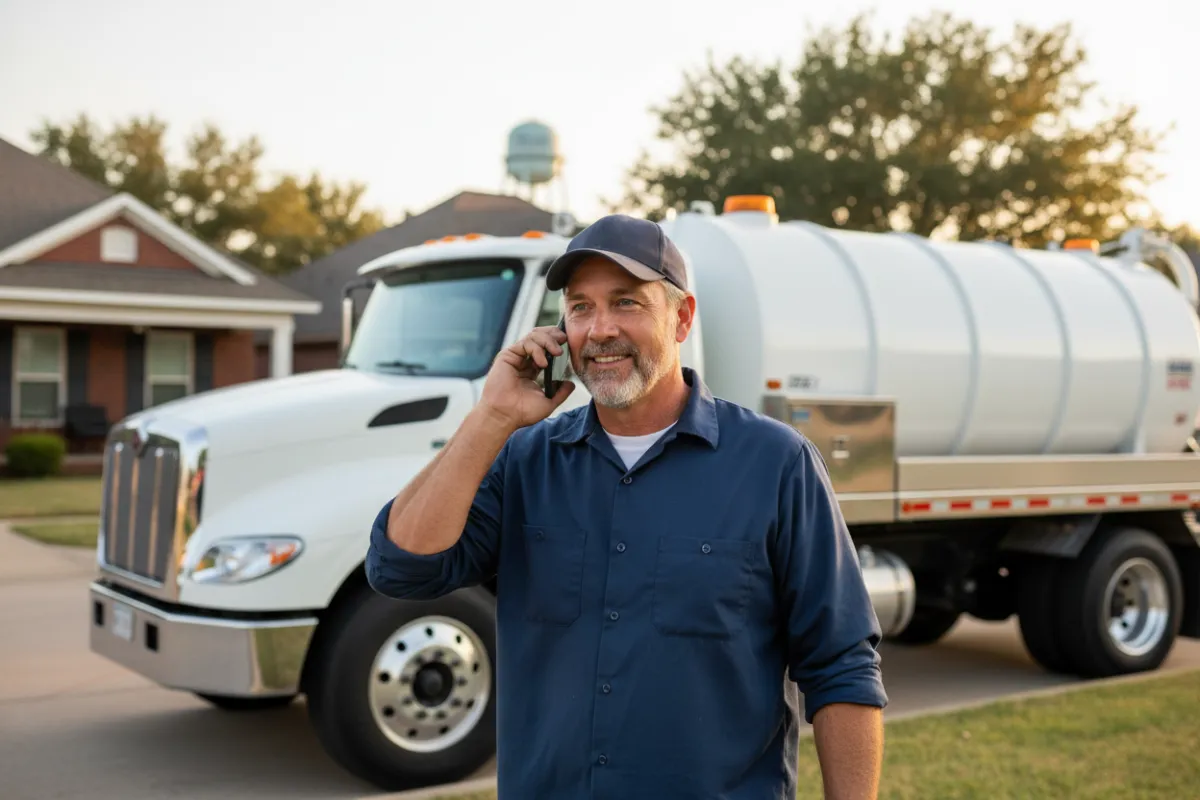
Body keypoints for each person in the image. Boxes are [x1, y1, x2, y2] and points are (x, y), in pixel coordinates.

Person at [366, 213, 888, 799]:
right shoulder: (525, 461)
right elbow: (401, 568)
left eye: (626, 303)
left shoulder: (775, 464)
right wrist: (491, 418)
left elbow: (841, 666)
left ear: (681, 316)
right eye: (580, 307)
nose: (600, 329)